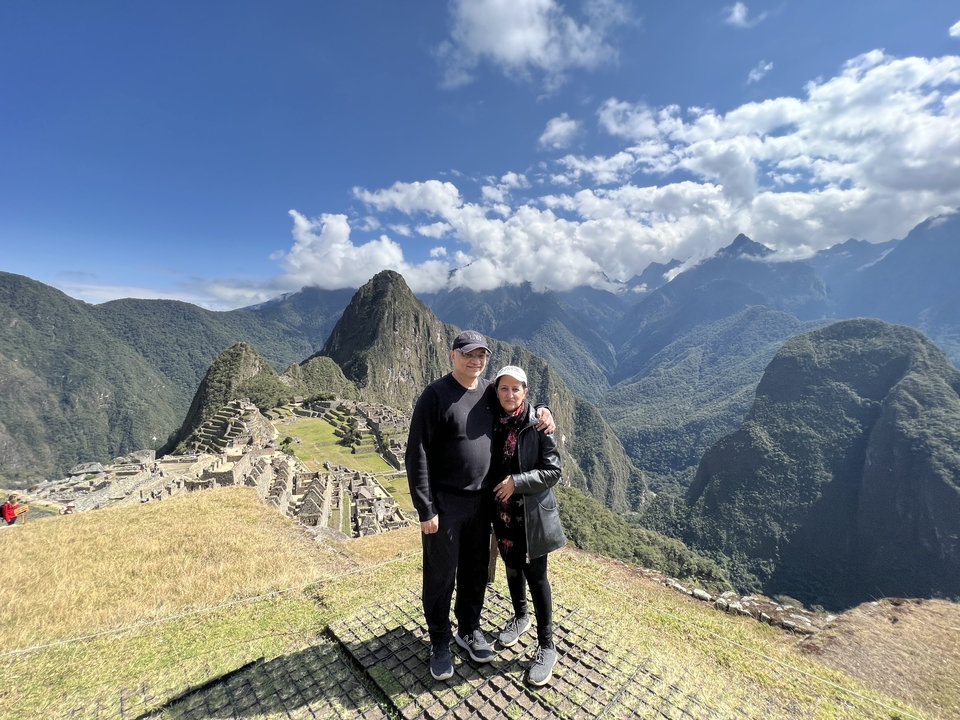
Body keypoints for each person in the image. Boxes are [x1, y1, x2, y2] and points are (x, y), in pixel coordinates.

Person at [406, 330, 555, 681]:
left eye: (481, 355)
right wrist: (425, 508)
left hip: (483, 501)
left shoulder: (489, 390)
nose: (476, 361)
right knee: (441, 575)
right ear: (452, 355)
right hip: (446, 502)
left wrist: (543, 412)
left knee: (475, 571)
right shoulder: (435, 395)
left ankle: (468, 628)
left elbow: (515, 402)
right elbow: (418, 453)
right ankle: (440, 641)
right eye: (468, 354)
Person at [490, 365, 566, 687]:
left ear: (525, 391)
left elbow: (553, 471)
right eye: (503, 389)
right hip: (503, 514)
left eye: (515, 389)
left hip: (532, 518)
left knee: (537, 576)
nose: (509, 394)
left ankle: (547, 645)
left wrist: (516, 482)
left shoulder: (538, 425)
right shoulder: (492, 419)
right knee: (512, 568)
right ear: (497, 392)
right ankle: (520, 617)